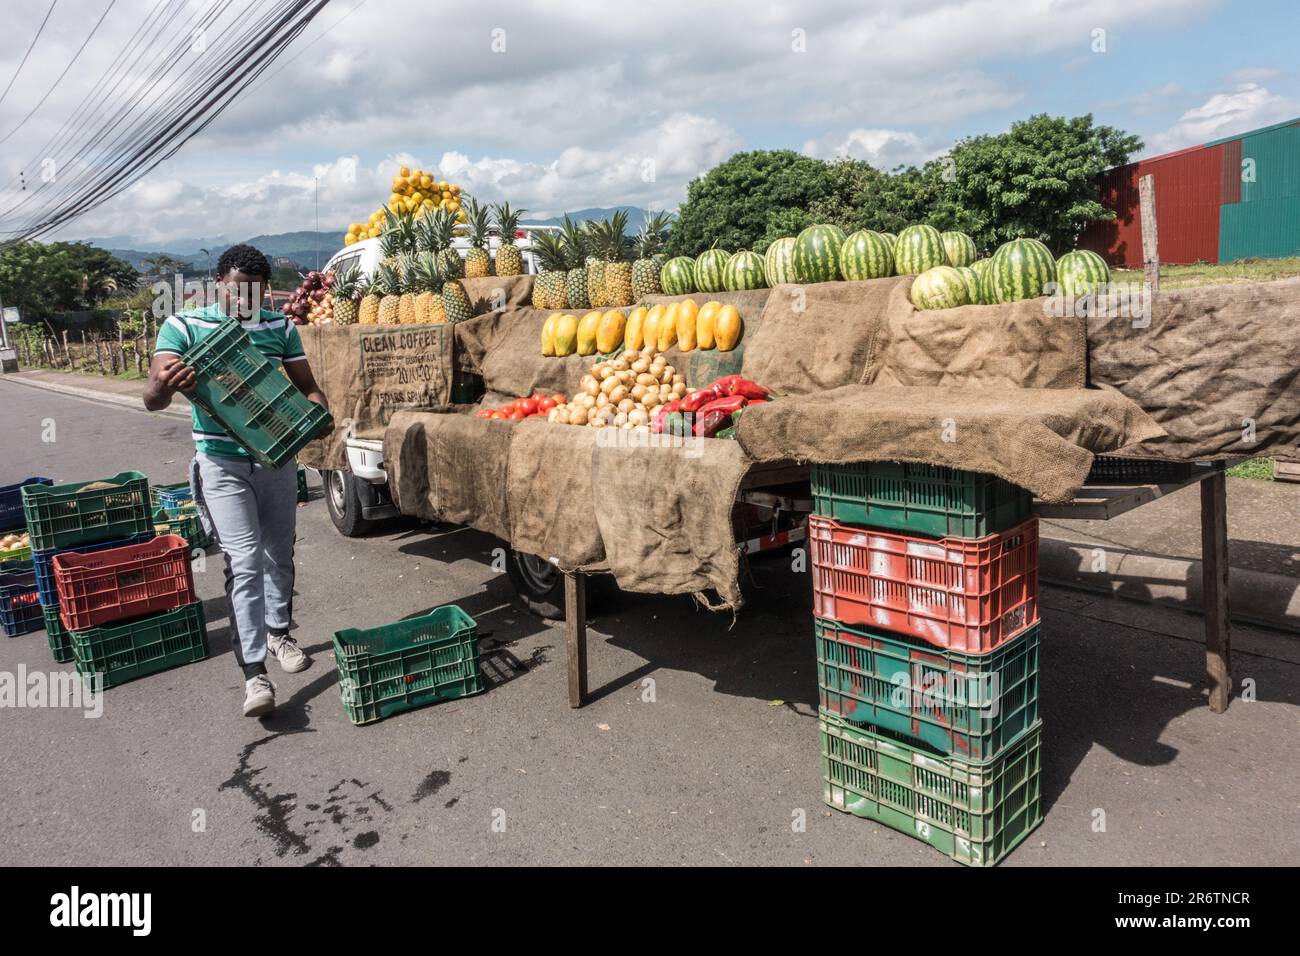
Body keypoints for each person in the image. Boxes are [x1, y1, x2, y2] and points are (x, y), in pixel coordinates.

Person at [143, 243, 329, 718]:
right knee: (244, 563)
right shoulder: (184, 327)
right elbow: (152, 400)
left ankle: (280, 632)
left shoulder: (278, 326)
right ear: (218, 283)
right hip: (221, 465)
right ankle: (254, 674)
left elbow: (307, 386)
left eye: (254, 293)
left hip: (276, 461)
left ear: (265, 291)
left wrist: (319, 409)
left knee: (278, 554)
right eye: (236, 292)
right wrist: (166, 383)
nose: (244, 303)